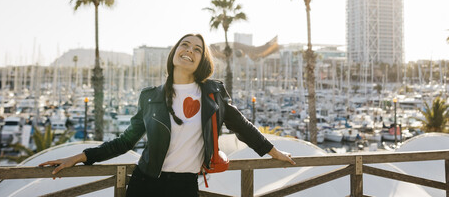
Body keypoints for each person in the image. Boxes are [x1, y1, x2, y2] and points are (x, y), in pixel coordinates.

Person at [39, 33, 296, 197]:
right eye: (184, 44)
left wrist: (275, 152)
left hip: (184, 186)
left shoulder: (212, 93)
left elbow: (243, 126)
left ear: (202, 60)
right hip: (145, 183)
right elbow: (126, 141)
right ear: (173, 53)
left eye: (197, 48)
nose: (190, 50)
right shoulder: (150, 96)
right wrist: (81, 157)